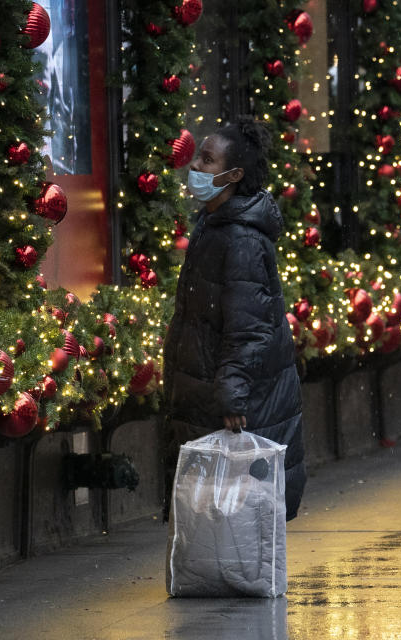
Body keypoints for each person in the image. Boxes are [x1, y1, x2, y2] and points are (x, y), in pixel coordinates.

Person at [162, 116, 306, 521]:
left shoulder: (239, 237)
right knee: (218, 510)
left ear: (234, 174)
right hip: (214, 385)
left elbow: (249, 325)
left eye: (207, 161)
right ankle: (220, 573)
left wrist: (232, 395)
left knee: (234, 510)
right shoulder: (215, 223)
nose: (195, 168)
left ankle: (232, 576)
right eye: (198, 158)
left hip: (234, 395)